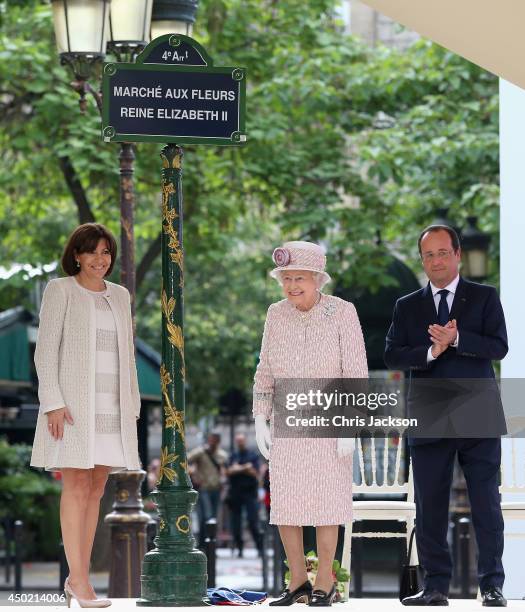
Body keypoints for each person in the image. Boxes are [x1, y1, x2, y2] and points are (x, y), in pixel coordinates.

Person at [384, 224, 508, 607]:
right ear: (422, 260)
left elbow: (499, 346)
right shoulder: (407, 306)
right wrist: (429, 353)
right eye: (428, 255)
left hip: (477, 412)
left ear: (457, 254)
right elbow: (392, 355)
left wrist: (456, 340)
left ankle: (491, 586)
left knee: (485, 502)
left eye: (442, 252)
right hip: (430, 415)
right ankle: (435, 586)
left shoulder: (485, 297)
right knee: (431, 504)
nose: (436, 260)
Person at [30, 223, 141, 608]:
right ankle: (80, 582)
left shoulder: (121, 296)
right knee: (76, 486)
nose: (100, 259)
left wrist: (133, 407)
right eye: (92, 251)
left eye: (106, 252)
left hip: (112, 408)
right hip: (74, 409)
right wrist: (53, 402)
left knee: (96, 489)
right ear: (76, 255)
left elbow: (126, 355)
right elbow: (45, 352)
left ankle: (78, 580)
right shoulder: (59, 290)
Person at [253, 241, 368, 606]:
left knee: (326, 502)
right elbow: (265, 370)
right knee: (286, 502)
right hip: (287, 419)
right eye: (286, 278)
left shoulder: (342, 311)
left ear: (318, 278)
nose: (291, 285)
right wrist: (260, 418)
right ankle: (297, 580)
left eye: (299, 278)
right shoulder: (275, 313)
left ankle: (325, 582)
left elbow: (356, 373)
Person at [226, 432, 263, 558]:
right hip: (235, 493)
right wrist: (244, 468)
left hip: (250, 493)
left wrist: (239, 469)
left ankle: (259, 547)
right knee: (236, 524)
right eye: (238, 441)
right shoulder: (233, 455)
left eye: (242, 440)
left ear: (245, 441)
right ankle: (239, 548)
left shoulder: (253, 455)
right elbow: (229, 471)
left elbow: (256, 473)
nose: (240, 443)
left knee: (253, 521)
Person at [188, 431, 228, 548]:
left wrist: (223, 479)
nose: (212, 442)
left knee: (213, 518)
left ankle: (210, 544)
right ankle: (204, 544)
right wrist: (193, 475)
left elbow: (225, 470)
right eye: (211, 439)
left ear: (218, 441)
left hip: (216, 489)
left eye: (215, 440)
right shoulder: (200, 452)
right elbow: (185, 460)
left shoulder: (222, 455)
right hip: (204, 489)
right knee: (206, 516)